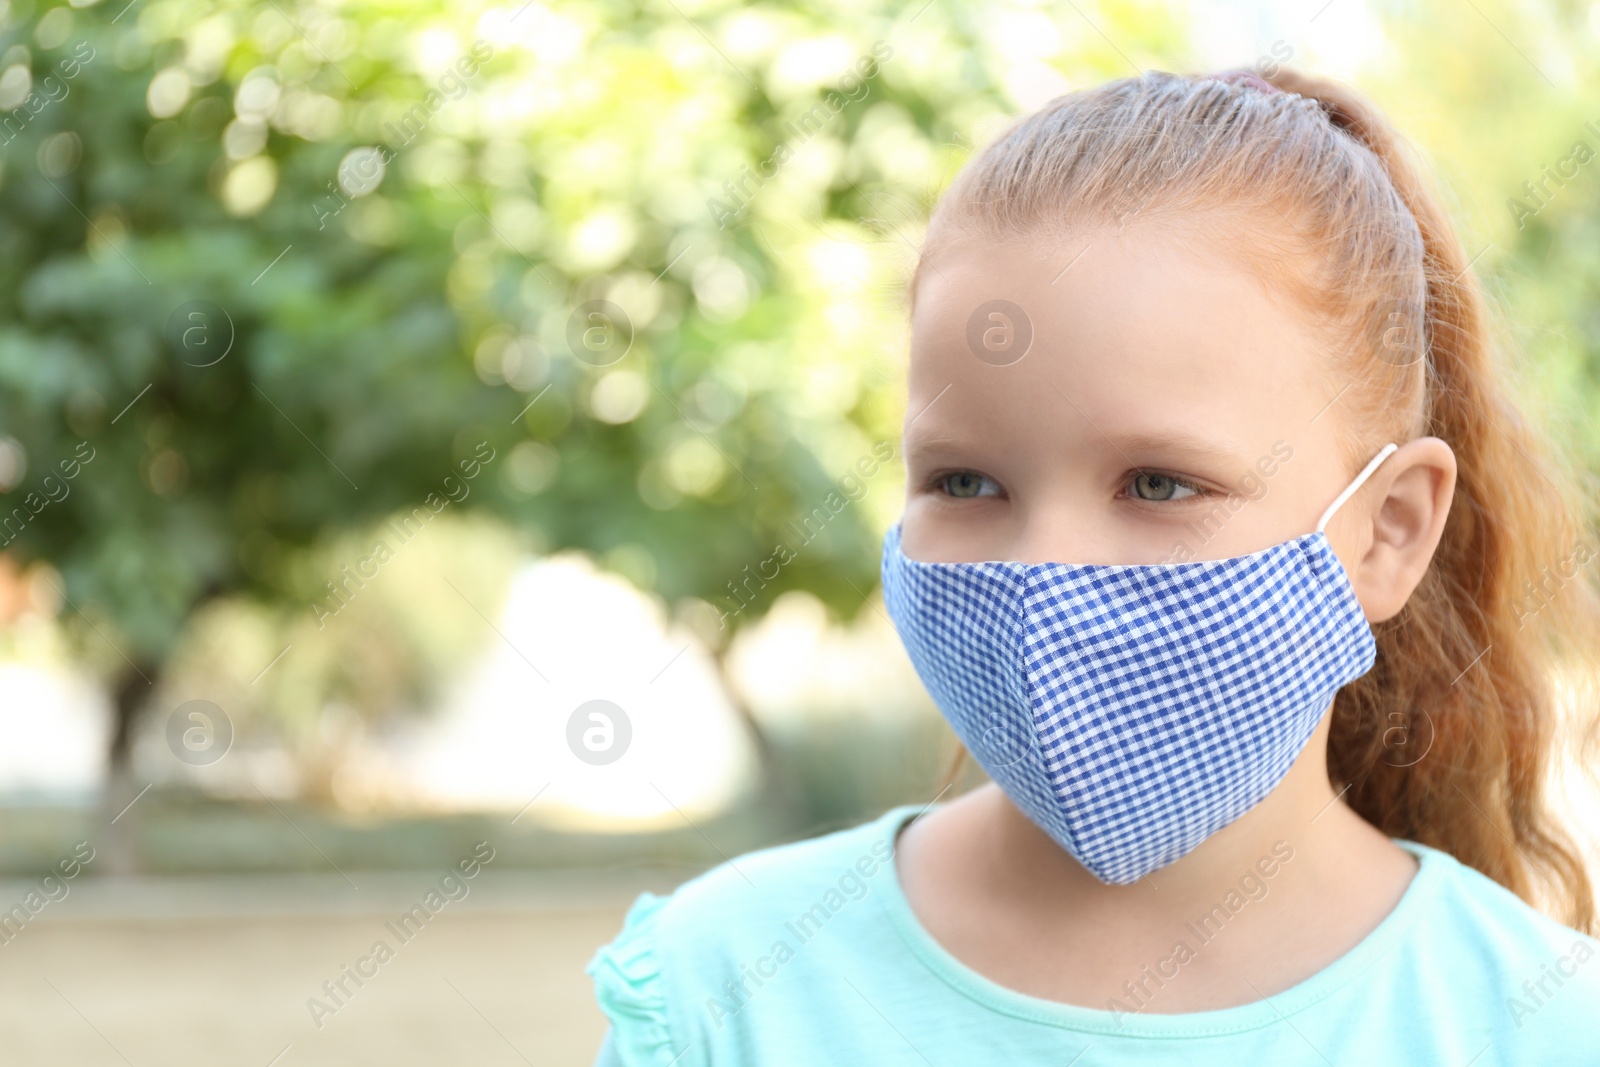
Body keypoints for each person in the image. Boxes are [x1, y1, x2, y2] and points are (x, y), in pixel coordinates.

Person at [585, 65, 1600, 1064]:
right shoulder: (727, 988)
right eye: (966, 482)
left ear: (1385, 531)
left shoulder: (1544, 1023)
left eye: (1157, 484)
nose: (1043, 574)